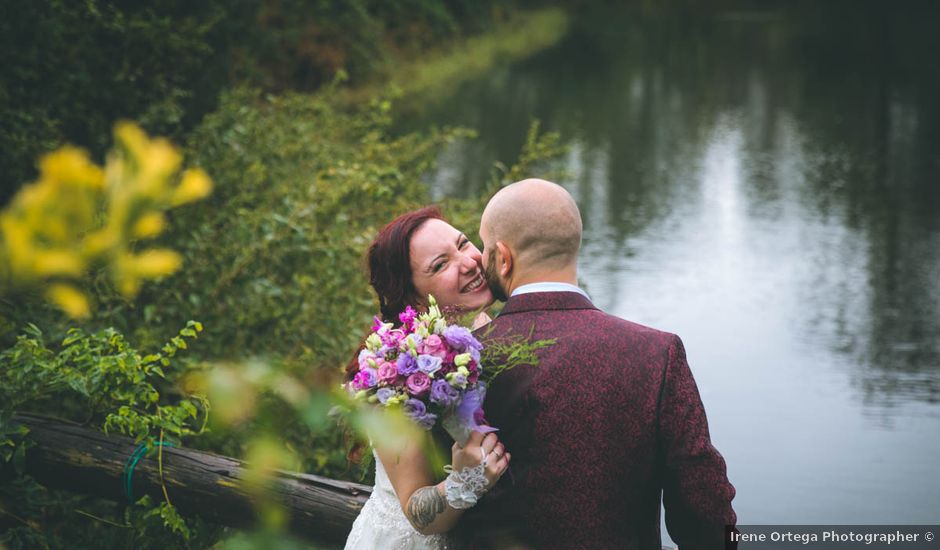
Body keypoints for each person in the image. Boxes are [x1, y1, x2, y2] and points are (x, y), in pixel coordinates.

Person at [458, 179, 737, 549]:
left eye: (484, 246)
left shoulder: (464, 360)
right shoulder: (657, 352)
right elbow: (705, 510)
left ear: (504, 258)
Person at [344, 206, 512, 550]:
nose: (469, 263)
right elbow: (416, 512)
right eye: (440, 265)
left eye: (464, 244)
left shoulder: (487, 327)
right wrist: (467, 480)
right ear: (413, 296)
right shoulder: (394, 373)